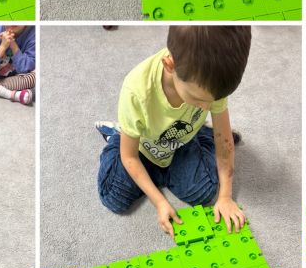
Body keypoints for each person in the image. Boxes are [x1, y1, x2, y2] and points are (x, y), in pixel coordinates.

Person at [96, 26, 251, 236]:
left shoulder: (212, 83)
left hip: (181, 143)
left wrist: (225, 196)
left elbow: (224, 142)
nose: (206, 108)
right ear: (170, 65)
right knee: (113, 198)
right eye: (197, 99)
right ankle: (120, 134)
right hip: (141, 149)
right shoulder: (136, 91)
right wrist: (159, 201)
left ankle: (202, 134)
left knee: (204, 193)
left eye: (212, 101)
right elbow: (129, 157)